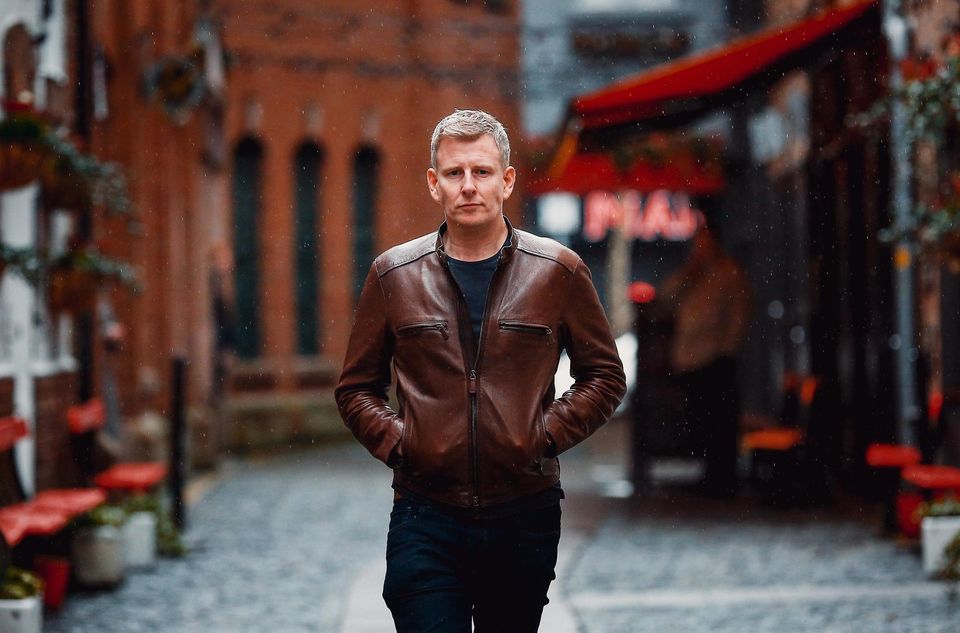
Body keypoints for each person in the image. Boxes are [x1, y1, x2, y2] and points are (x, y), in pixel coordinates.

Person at [335, 109, 626, 632]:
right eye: (454, 173)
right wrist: (405, 443)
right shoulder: (393, 275)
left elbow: (604, 375)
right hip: (425, 512)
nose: (468, 186)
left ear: (507, 180)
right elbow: (357, 387)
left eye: (482, 172)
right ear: (434, 183)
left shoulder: (557, 271)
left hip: (524, 512)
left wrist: (541, 436)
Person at [659, 223, 751, 496]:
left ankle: (722, 475)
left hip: (715, 357)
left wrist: (727, 349)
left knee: (718, 421)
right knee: (700, 419)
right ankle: (710, 472)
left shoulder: (728, 274)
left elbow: (738, 314)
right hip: (691, 357)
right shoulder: (693, 276)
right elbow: (667, 297)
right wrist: (689, 272)